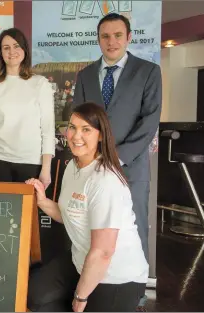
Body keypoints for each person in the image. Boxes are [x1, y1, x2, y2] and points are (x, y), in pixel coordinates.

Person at [73, 13, 162, 308]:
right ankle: (94, 281)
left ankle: (135, 291)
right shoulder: (85, 75)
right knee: (91, 224)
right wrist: (93, 157)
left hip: (131, 166)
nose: (111, 42)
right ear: (98, 39)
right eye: (105, 36)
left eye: (117, 35)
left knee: (134, 225)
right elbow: (79, 119)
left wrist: (117, 158)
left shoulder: (148, 71)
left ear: (128, 37)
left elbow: (149, 122)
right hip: (92, 168)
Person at [26, 102, 148, 312]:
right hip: (80, 261)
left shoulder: (105, 181)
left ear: (101, 135)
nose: (75, 136)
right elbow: (71, 215)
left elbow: (103, 252)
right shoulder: (73, 165)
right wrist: (42, 201)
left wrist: (80, 297)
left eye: (86, 130)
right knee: (32, 295)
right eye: (72, 127)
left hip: (116, 277)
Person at [0, 28, 55, 188]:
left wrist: (46, 170)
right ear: (0, 53)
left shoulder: (41, 84)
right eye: (6, 47)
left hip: (31, 164)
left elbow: (48, 129)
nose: (12, 51)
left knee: (28, 213)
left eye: (16, 46)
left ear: (24, 49)